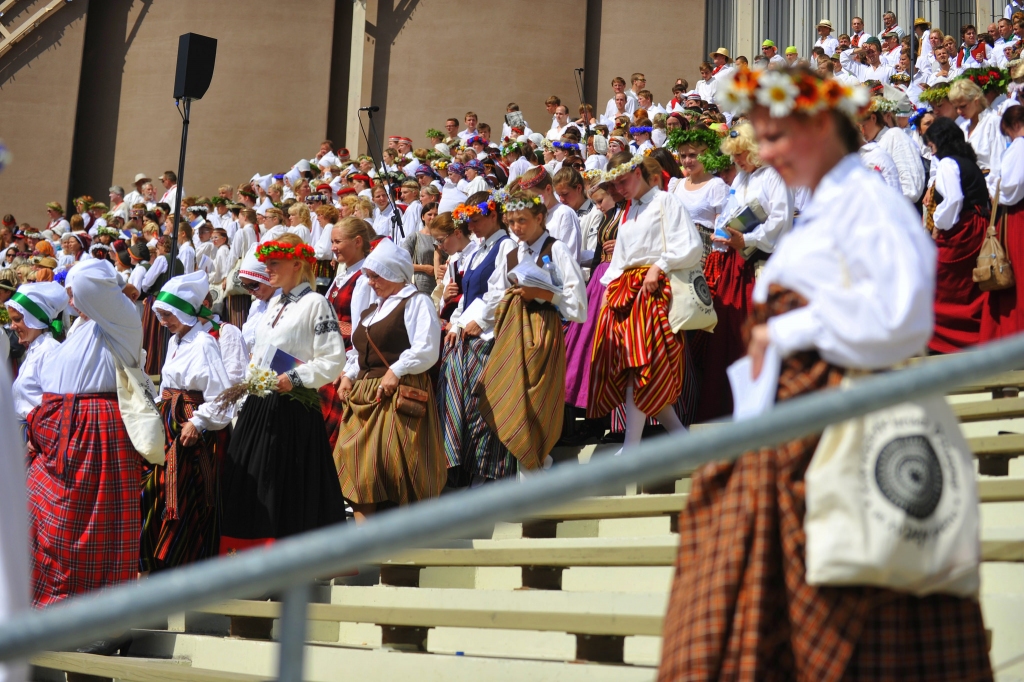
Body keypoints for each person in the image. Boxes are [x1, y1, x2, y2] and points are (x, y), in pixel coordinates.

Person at [658, 66, 991, 681]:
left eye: (777, 137)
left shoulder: (866, 200)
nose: (767, 153)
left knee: (846, 617)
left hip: (838, 419)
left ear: (818, 128)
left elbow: (901, 314)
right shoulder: (828, 206)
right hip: (789, 425)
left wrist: (786, 329)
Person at [26, 260, 143, 620]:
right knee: (40, 516)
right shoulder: (80, 328)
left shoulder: (121, 319)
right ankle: (50, 606)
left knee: (88, 527)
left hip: (93, 430)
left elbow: (87, 280)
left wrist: (115, 281)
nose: (71, 296)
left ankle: (92, 617)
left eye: (73, 291)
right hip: (64, 428)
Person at [219, 233, 347, 553]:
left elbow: (333, 359)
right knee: (248, 481)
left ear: (297, 263)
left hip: (292, 408)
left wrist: (295, 377)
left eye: (273, 263)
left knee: (283, 486)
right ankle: (249, 560)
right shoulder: (273, 302)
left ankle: (284, 563)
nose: (268, 268)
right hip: (260, 404)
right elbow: (260, 353)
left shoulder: (316, 303)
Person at [586, 152, 701, 454]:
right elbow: (621, 260)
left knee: (643, 366)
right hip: (627, 292)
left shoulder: (666, 201)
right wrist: (608, 290)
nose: (619, 189)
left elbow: (689, 244)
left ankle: (631, 447)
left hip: (653, 291)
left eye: (623, 181)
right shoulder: (627, 211)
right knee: (633, 368)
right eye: (615, 184)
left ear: (637, 172)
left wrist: (658, 266)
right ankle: (677, 438)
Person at [470, 192, 585, 471]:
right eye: (511, 222)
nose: (516, 227)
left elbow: (578, 306)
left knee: (536, 404)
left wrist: (544, 294)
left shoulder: (556, 249)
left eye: (522, 220)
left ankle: (539, 467)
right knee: (513, 400)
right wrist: (471, 321)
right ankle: (529, 476)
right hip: (513, 331)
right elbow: (496, 294)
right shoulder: (511, 253)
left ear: (540, 218)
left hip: (543, 330)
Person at [333, 238, 445, 518]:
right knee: (357, 467)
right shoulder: (374, 309)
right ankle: (364, 544)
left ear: (395, 273)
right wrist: (349, 374)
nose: (370, 282)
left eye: (375, 276)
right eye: (369, 276)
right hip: (365, 395)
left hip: (398, 393)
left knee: (392, 469)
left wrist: (397, 370)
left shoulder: (416, 302)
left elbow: (427, 348)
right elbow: (361, 352)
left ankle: (401, 546)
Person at [697, 122, 793, 421]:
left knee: (758, 328)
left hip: (763, 262)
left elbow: (781, 220)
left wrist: (747, 239)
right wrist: (722, 234)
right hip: (735, 260)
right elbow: (729, 209)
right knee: (732, 331)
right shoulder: (742, 177)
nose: (736, 160)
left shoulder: (776, 175)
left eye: (741, 154)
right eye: (734, 155)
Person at [140, 272, 232, 572]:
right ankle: (159, 562)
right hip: (169, 421)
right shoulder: (176, 342)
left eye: (168, 314)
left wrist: (199, 422)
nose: (163, 321)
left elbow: (220, 394)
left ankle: (186, 561)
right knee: (156, 489)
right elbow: (166, 385)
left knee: (185, 493)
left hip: (189, 424)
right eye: (161, 315)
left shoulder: (204, 343)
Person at [437, 198, 516, 485]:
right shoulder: (473, 253)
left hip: (488, 338)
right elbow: (464, 297)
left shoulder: (505, 246)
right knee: (457, 405)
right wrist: (456, 323)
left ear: (493, 215)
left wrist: (481, 320)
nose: (471, 226)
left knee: (479, 408)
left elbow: (503, 290)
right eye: (468, 221)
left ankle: (486, 475)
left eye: (475, 219)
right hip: (466, 337)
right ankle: (461, 470)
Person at [922, 117, 990, 354]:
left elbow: (953, 201)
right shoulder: (967, 161)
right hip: (977, 225)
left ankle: (946, 341)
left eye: (931, 146)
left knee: (944, 285)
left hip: (962, 231)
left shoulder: (948, 164)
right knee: (971, 287)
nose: (932, 152)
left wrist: (938, 225)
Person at [318, 217, 376, 450]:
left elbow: (361, 329)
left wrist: (347, 368)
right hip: (331, 354)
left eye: (338, 241)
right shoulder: (344, 274)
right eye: (332, 242)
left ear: (358, 242)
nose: (333, 247)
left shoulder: (363, 279)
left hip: (346, 357)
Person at [980, 106, 1024, 339]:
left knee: (1015, 268)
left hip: (1018, 215)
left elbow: (1012, 186)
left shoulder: (1019, 146)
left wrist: (996, 191)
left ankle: (1013, 333)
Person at [6, 282, 67, 426]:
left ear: (34, 320)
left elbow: (55, 405)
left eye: (17, 320)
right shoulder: (36, 348)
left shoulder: (49, 351)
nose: (12, 326)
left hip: (36, 434)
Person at [949, 78, 1008, 197]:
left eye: (963, 106)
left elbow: (998, 161)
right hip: (966, 190)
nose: (959, 111)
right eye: (956, 108)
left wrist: (991, 193)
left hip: (986, 189)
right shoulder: (963, 127)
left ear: (976, 101)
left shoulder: (993, 122)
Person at [402, 202, 442, 295]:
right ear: (423, 217)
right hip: (420, 284)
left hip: (440, 283)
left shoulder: (443, 237)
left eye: (436, 214)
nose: (433, 217)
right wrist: (424, 268)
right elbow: (403, 262)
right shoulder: (415, 237)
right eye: (429, 214)